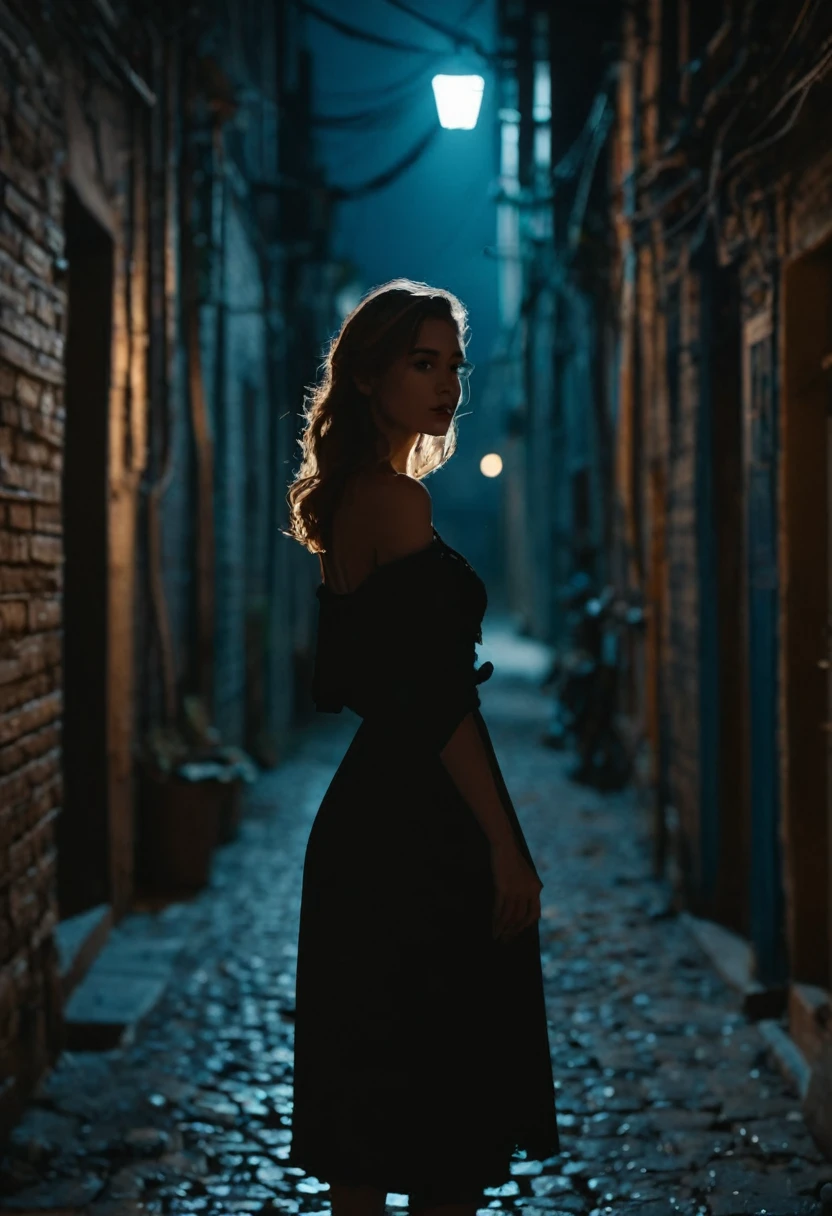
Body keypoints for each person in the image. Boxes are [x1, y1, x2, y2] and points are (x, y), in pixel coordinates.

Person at [284, 279, 559, 1216]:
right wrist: (503, 844)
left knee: (372, 1106)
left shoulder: (361, 497)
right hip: (413, 829)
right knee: (443, 1114)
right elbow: (438, 702)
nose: (447, 383)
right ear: (367, 377)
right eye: (422, 362)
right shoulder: (392, 502)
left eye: (453, 365)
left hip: (369, 821)